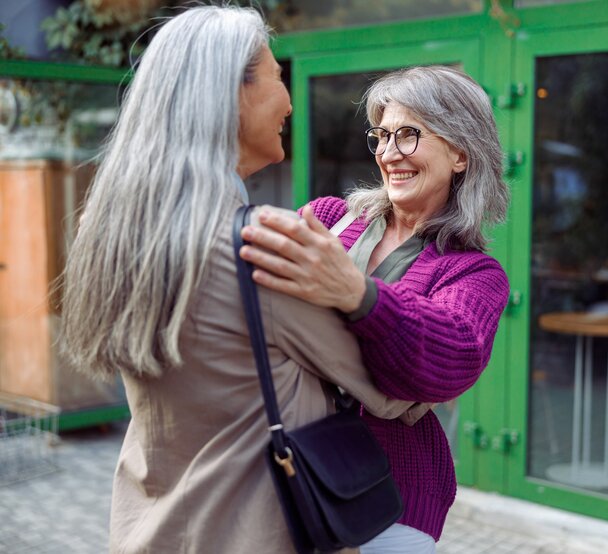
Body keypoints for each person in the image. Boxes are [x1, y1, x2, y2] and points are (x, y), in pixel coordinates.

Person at [60, 6, 426, 553]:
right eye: (278, 77)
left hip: (151, 524)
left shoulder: (110, 229)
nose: (290, 102)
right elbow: (392, 393)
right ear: (230, 93)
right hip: (249, 531)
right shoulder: (260, 248)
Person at [240, 65, 511, 552]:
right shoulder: (328, 218)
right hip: (291, 466)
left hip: (389, 493)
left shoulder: (473, 274)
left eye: (409, 135)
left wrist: (357, 294)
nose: (388, 154)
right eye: (382, 136)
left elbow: (448, 361)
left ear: (460, 152)